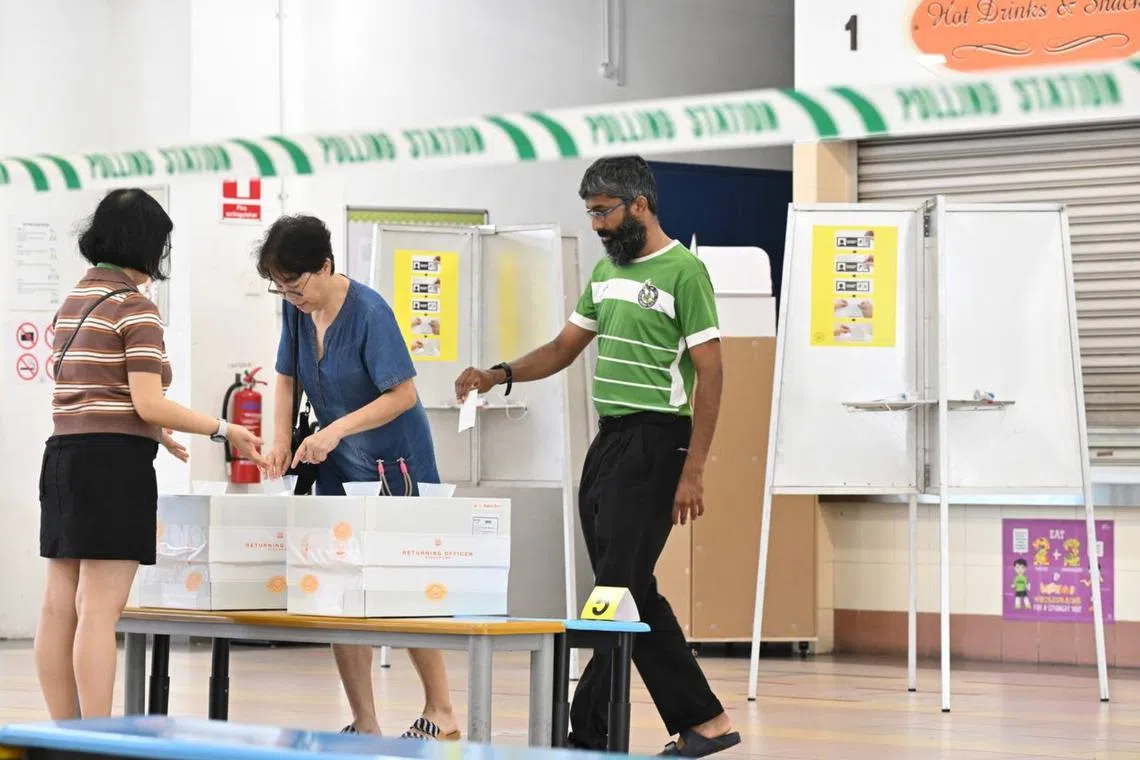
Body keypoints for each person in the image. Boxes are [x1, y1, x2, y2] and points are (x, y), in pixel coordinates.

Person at [455, 156, 740, 757]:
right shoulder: (609, 273)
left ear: (639, 204)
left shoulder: (685, 271)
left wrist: (694, 470)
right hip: (610, 441)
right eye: (590, 214)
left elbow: (711, 374)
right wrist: (497, 373)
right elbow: (564, 347)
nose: (596, 225)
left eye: (604, 212)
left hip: (659, 440)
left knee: (616, 590)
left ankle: (587, 734)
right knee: (631, 589)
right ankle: (706, 721)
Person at [36, 188, 265, 720]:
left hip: (63, 456)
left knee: (57, 603)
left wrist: (152, 430)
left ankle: (64, 732)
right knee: (98, 609)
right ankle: (97, 734)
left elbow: (92, 393)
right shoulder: (135, 308)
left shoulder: (73, 300)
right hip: (111, 467)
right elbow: (147, 400)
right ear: (146, 245)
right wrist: (224, 428)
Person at [256, 214, 459, 741]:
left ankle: (443, 711)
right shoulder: (296, 309)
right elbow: (285, 374)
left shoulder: (369, 312)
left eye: (296, 286)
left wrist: (334, 431)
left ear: (325, 266)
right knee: (339, 587)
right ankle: (365, 721)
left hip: (395, 460)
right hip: (338, 462)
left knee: (403, 585)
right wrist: (280, 437)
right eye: (280, 287)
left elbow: (403, 395)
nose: (290, 296)